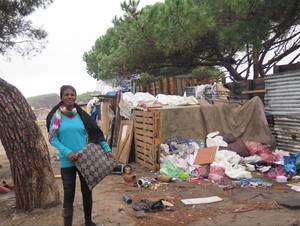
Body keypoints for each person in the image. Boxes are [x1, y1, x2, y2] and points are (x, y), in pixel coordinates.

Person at [46, 85, 113, 226]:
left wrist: (107, 149)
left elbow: (95, 132)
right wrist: (67, 152)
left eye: (72, 94)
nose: (70, 97)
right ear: (61, 97)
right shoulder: (57, 117)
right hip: (67, 161)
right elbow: (53, 138)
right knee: (69, 194)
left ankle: (88, 221)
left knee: (87, 191)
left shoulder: (81, 115)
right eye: (67, 94)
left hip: (84, 160)